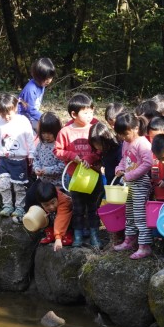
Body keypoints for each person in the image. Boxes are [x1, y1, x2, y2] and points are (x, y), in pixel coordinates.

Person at [53, 93, 102, 247]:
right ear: (74, 114)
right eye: (85, 113)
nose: (90, 116)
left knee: (93, 207)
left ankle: (94, 235)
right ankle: (78, 235)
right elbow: (57, 150)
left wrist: (90, 158)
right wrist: (71, 156)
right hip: (74, 177)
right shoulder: (65, 132)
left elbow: (101, 149)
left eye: (91, 112)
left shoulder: (94, 129)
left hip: (93, 176)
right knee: (78, 208)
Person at [112, 112, 154, 259]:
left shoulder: (142, 143)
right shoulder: (126, 143)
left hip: (140, 183)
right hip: (129, 183)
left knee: (140, 215)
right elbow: (124, 159)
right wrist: (119, 168)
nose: (123, 137)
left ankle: (144, 246)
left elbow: (148, 163)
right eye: (120, 135)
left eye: (125, 134)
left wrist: (129, 175)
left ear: (136, 128)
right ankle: (129, 240)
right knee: (129, 212)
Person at [0, 93, 35, 220]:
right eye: (2, 114)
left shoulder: (23, 121)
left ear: (15, 108)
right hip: (4, 160)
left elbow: (30, 138)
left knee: (19, 186)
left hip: (19, 160)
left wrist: (31, 153)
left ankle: (20, 207)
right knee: (3, 184)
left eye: (8, 113)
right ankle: (7, 205)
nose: (6, 117)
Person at [89, 120, 123, 246]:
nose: (98, 148)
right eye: (95, 145)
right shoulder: (105, 151)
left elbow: (121, 164)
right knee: (113, 210)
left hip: (119, 184)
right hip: (110, 183)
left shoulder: (118, 148)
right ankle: (116, 238)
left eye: (99, 144)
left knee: (120, 211)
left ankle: (123, 238)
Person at [31, 180, 74, 251]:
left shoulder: (64, 201)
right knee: (42, 214)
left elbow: (61, 218)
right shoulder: (41, 197)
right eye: (46, 205)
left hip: (66, 218)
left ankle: (66, 234)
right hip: (54, 216)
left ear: (56, 197)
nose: (51, 207)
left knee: (63, 218)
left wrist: (58, 238)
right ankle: (50, 232)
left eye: (53, 202)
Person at [33, 113, 66, 195]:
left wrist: (48, 170)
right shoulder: (41, 144)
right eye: (43, 133)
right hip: (43, 182)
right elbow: (36, 158)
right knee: (30, 196)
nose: (46, 136)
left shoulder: (60, 145)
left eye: (50, 133)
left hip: (58, 185)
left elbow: (63, 165)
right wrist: (36, 168)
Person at [18, 58, 56, 129]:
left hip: (31, 115)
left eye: (50, 77)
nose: (49, 81)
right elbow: (30, 110)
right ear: (38, 76)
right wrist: (45, 118)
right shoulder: (30, 90)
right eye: (46, 78)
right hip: (22, 117)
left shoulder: (42, 85)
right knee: (46, 128)